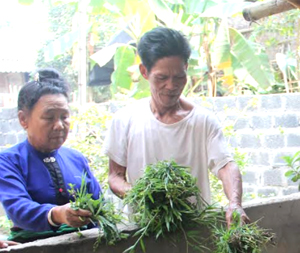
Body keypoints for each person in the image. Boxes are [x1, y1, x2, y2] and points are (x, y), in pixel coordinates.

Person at [104, 27, 249, 226]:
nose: (171, 86)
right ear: (144, 72)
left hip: (195, 234)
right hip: (144, 233)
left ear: (186, 69)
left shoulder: (203, 121)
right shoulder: (124, 120)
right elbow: (115, 177)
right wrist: (144, 195)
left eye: (179, 77)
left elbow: (225, 165)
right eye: (162, 78)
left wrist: (234, 203)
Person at [0, 69, 102, 243]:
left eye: (64, 117)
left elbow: (99, 205)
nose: (59, 126)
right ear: (23, 120)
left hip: (86, 248)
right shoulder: (7, 162)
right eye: (49, 118)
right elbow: (18, 209)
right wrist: (57, 214)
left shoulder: (76, 158)